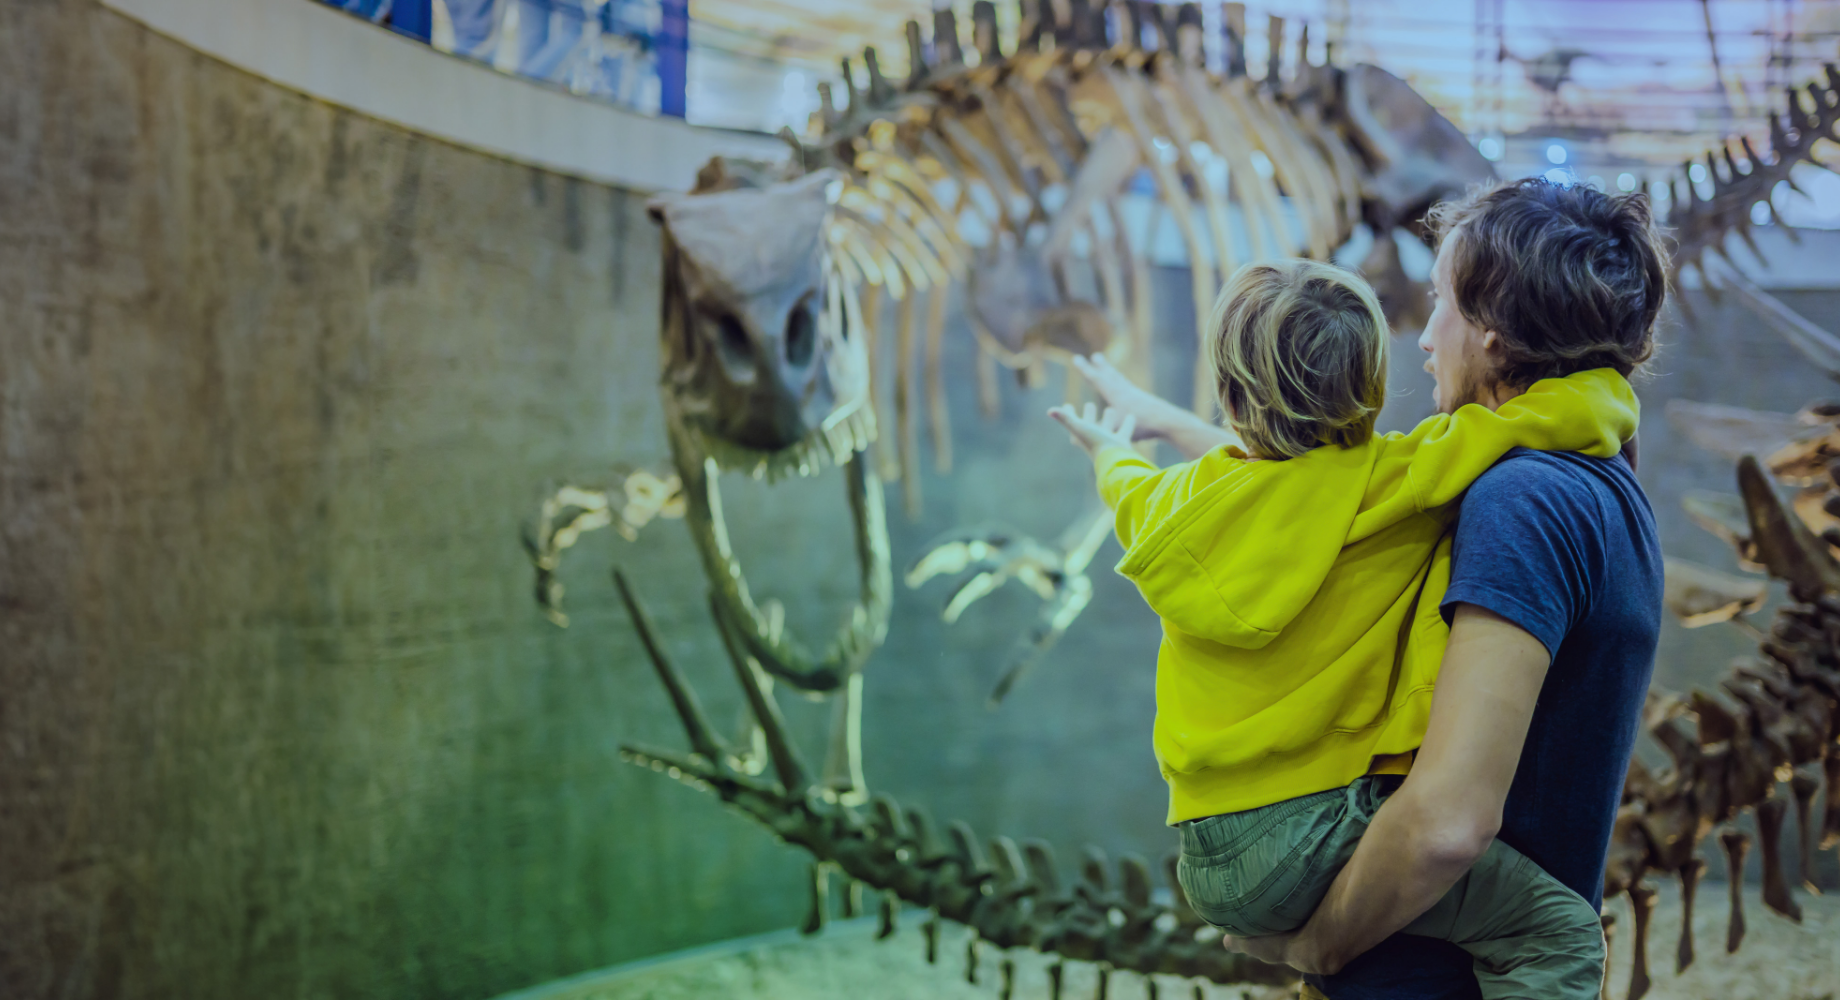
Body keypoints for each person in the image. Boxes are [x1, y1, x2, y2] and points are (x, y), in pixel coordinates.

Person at [1077, 178, 1666, 999]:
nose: (1423, 336)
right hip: (1393, 926)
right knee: (1561, 934)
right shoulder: (1588, 485)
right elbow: (1318, 501)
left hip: (1241, 859)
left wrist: (1317, 948)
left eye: (1440, 302)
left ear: (1492, 334)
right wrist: (1608, 393)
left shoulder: (1524, 501)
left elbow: (1448, 825)